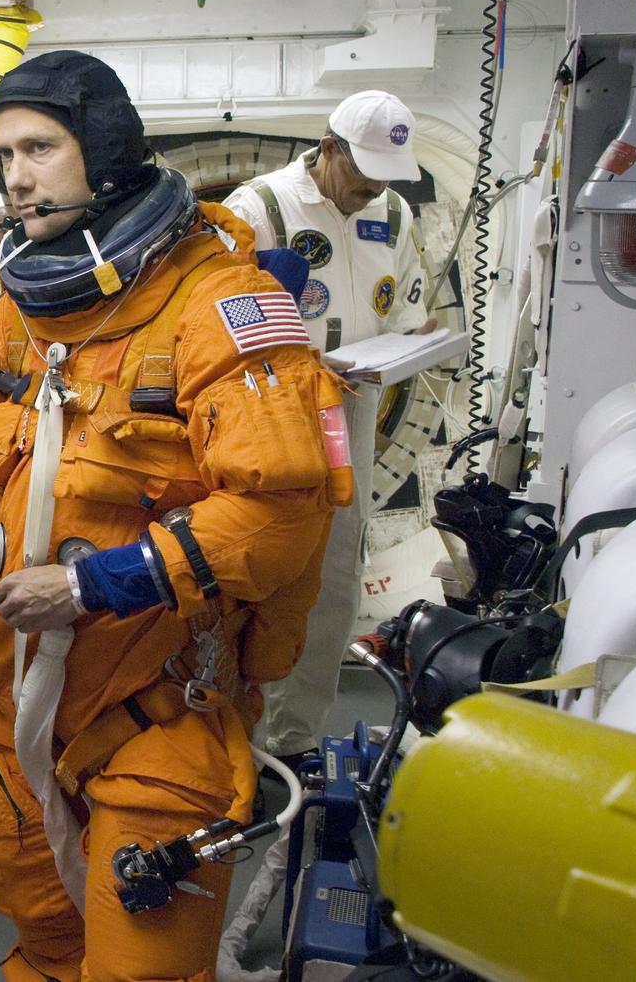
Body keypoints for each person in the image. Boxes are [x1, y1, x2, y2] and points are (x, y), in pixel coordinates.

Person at [0, 50, 339, 981]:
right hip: (22, 708)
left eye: (40, 148)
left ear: (104, 150)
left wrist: (91, 585)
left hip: (156, 709)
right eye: (3, 154)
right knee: (41, 928)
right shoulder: (15, 306)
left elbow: (279, 516)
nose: (16, 176)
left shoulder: (218, 302)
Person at [224, 89, 432, 768]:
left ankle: (296, 740)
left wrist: (416, 338)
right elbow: (218, 318)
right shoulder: (260, 208)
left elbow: (405, 306)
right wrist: (297, 360)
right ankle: (230, 741)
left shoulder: (392, 212)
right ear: (328, 148)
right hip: (273, 409)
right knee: (258, 569)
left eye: (387, 176)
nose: (374, 189)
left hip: (353, 405)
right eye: (364, 173)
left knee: (338, 574)